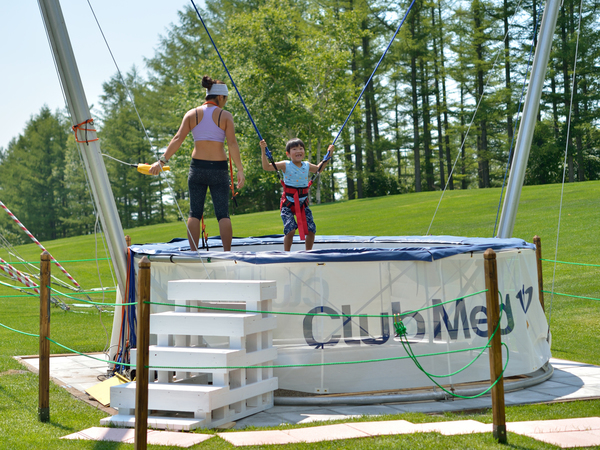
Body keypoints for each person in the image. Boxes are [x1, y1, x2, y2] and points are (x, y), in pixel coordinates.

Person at [149, 75, 244, 251]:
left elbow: (177, 139)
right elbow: (232, 144)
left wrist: (161, 161)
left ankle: (194, 254)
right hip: (219, 169)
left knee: (195, 213)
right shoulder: (225, 116)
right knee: (223, 214)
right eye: (226, 98)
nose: (226, 102)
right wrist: (240, 169)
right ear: (220, 97)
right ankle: (227, 254)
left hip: (197, 168)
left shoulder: (191, 114)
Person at [260, 138, 332, 251]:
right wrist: (263, 150)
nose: (298, 151)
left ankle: (308, 252)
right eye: (294, 149)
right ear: (288, 154)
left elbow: (319, 169)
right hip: (287, 204)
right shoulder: (285, 165)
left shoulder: (306, 165)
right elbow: (267, 166)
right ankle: (287, 253)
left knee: (311, 230)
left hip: (303, 203)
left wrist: (329, 154)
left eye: (301, 148)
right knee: (291, 230)